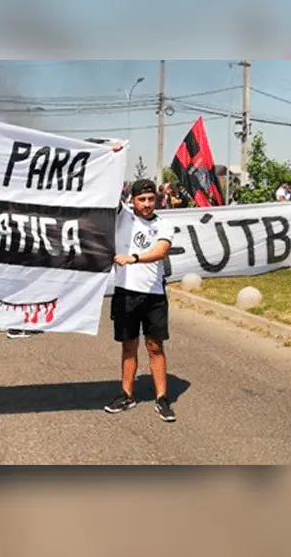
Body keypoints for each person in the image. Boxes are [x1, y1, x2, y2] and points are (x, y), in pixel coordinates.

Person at [104, 178, 177, 422]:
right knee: (128, 346)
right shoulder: (123, 217)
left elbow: (161, 250)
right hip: (126, 293)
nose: (147, 204)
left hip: (154, 295)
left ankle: (162, 398)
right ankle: (127, 394)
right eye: (141, 199)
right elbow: (108, 192)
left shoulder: (164, 224)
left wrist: (134, 258)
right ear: (132, 200)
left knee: (155, 346)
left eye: (150, 199)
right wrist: (113, 156)